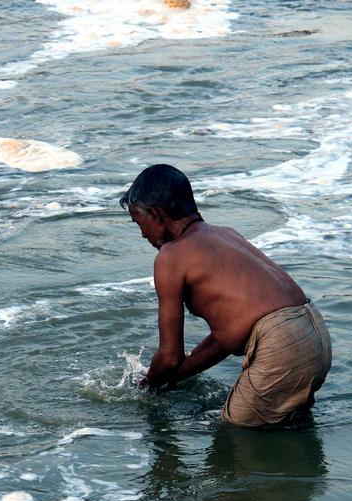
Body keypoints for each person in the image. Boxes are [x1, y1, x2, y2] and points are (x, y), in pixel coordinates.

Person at [120, 164, 331, 427]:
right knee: (284, 426)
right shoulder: (226, 234)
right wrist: (173, 378)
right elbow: (224, 339)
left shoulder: (171, 256)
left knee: (232, 439)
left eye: (139, 222)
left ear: (156, 214)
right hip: (314, 333)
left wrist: (146, 386)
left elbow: (170, 355)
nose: (142, 233)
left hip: (279, 344)